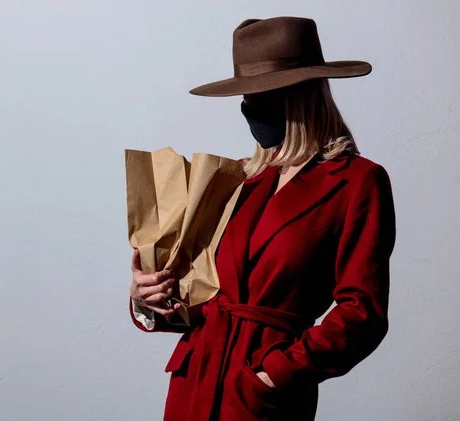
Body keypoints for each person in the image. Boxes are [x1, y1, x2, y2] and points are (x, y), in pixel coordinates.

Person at [128, 16, 396, 421]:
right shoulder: (239, 178)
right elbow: (204, 296)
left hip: (262, 396)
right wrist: (150, 300)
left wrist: (277, 372)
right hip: (192, 383)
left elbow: (363, 313)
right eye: (244, 94)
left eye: (261, 93)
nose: (249, 106)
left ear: (302, 93)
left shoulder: (358, 181)